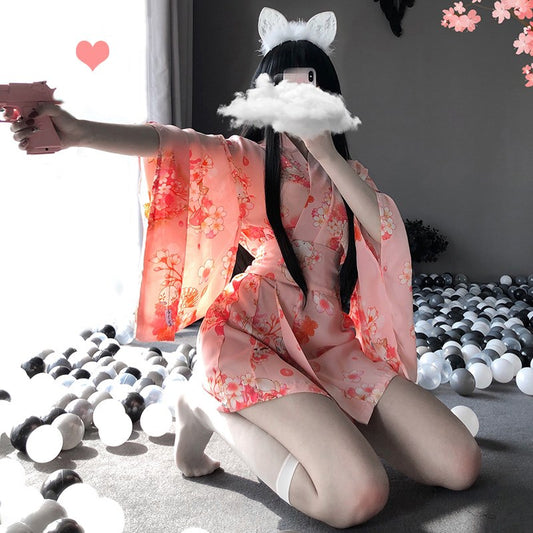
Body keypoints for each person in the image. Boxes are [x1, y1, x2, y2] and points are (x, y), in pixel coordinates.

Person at [5, 7, 481, 529]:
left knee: (460, 464)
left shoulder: (349, 174)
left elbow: (386, 234)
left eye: (310, 83)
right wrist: (78, 131)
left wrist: (326, 153)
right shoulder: (248, 160)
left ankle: (321, 415)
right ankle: (204, 405)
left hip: (330, 342)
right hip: (253, 332)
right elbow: (172, 143)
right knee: (358, 496)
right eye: (283, 86)